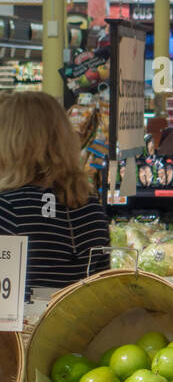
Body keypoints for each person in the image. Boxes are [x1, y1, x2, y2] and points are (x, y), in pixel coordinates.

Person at [0, 90, 110, 291]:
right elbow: (102, 288)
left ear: (10, 143)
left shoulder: (7, 209)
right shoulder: (92, 209)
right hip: (80, 320)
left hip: (22, 322)